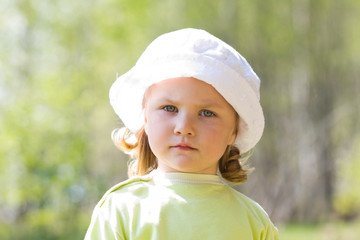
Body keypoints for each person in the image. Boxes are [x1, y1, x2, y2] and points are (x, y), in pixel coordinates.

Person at [85, 28, 278, 240]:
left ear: (234, 131)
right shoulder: (120, 210)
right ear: (146, 119)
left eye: (207, 113)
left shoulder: (253, 221)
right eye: (169, 108)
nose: (184, 127)